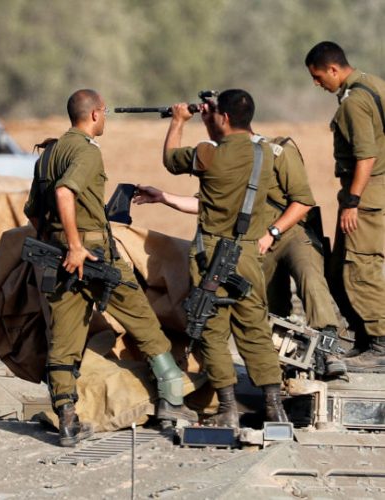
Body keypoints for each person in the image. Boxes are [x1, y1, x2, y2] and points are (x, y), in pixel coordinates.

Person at [24, 89, 197, 447]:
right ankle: (171, 399)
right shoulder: (86, 150)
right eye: (103, 113)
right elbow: (65, 193)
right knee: (143, 321)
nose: (105, 118)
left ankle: (67, 420)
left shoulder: (49, 153)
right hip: (93, 255)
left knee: (63, 340)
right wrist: (76, 245)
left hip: (58, 258)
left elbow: (34, 211)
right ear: (95, 114)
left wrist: (58, 243)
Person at [137, 136, 347, 377]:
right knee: (269, 304)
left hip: (290, 233)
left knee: (309, 276)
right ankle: (285, 357)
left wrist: (273, 232)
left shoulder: (276, 152)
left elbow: (302, 202)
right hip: (256, 241)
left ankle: (329, 347)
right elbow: (206, 203)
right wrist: (163, 197)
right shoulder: (226, 159)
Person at [162, 89, 288, 428]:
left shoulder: (208, 153)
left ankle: (228, 408)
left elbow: (171, 159)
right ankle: (274, 406)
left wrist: (179, 121)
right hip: (247, 253)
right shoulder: (265, 154)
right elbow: (233, 144)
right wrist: (214, 119)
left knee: (212, 330)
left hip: (211, 255)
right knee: (255, 329)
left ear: (224, 118)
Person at [305, 41, 385, 371]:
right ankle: (365, 338)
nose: (317, 83)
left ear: (334, 69)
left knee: (359, 269)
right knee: (338, 269)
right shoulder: (373, 83)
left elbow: (366, 156)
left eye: (318, 76)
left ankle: (380, 345)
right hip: (370, 192)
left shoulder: (354, 102)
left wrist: (352, 201)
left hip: (366, 196)